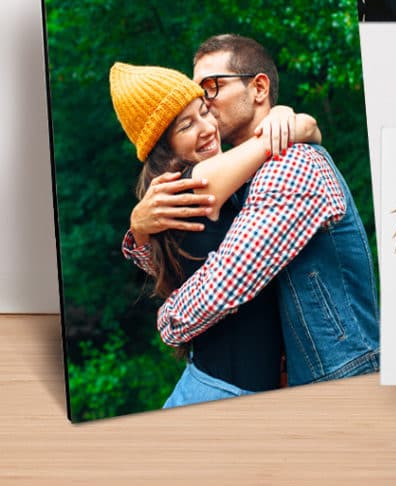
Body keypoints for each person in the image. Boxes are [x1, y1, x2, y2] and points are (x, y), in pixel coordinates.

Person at [124, 34, 380, 387]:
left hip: (338, 373)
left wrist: (167, 323)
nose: (205, 103)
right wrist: (139, 230)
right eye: (198, 96)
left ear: (259, 88)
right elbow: (182, 259)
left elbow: (225, 283)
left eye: (211, 88)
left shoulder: (289, 165)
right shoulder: (243, 173)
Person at [109, 61, 320, 407]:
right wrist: (287, 119)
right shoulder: (195, 182)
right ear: (164, 146)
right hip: (221, 392)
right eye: (187, 125)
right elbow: (302, 131)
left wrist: (283, 115)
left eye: (204, 112)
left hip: (216, 383)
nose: (207, 128)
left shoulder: (172, 196)